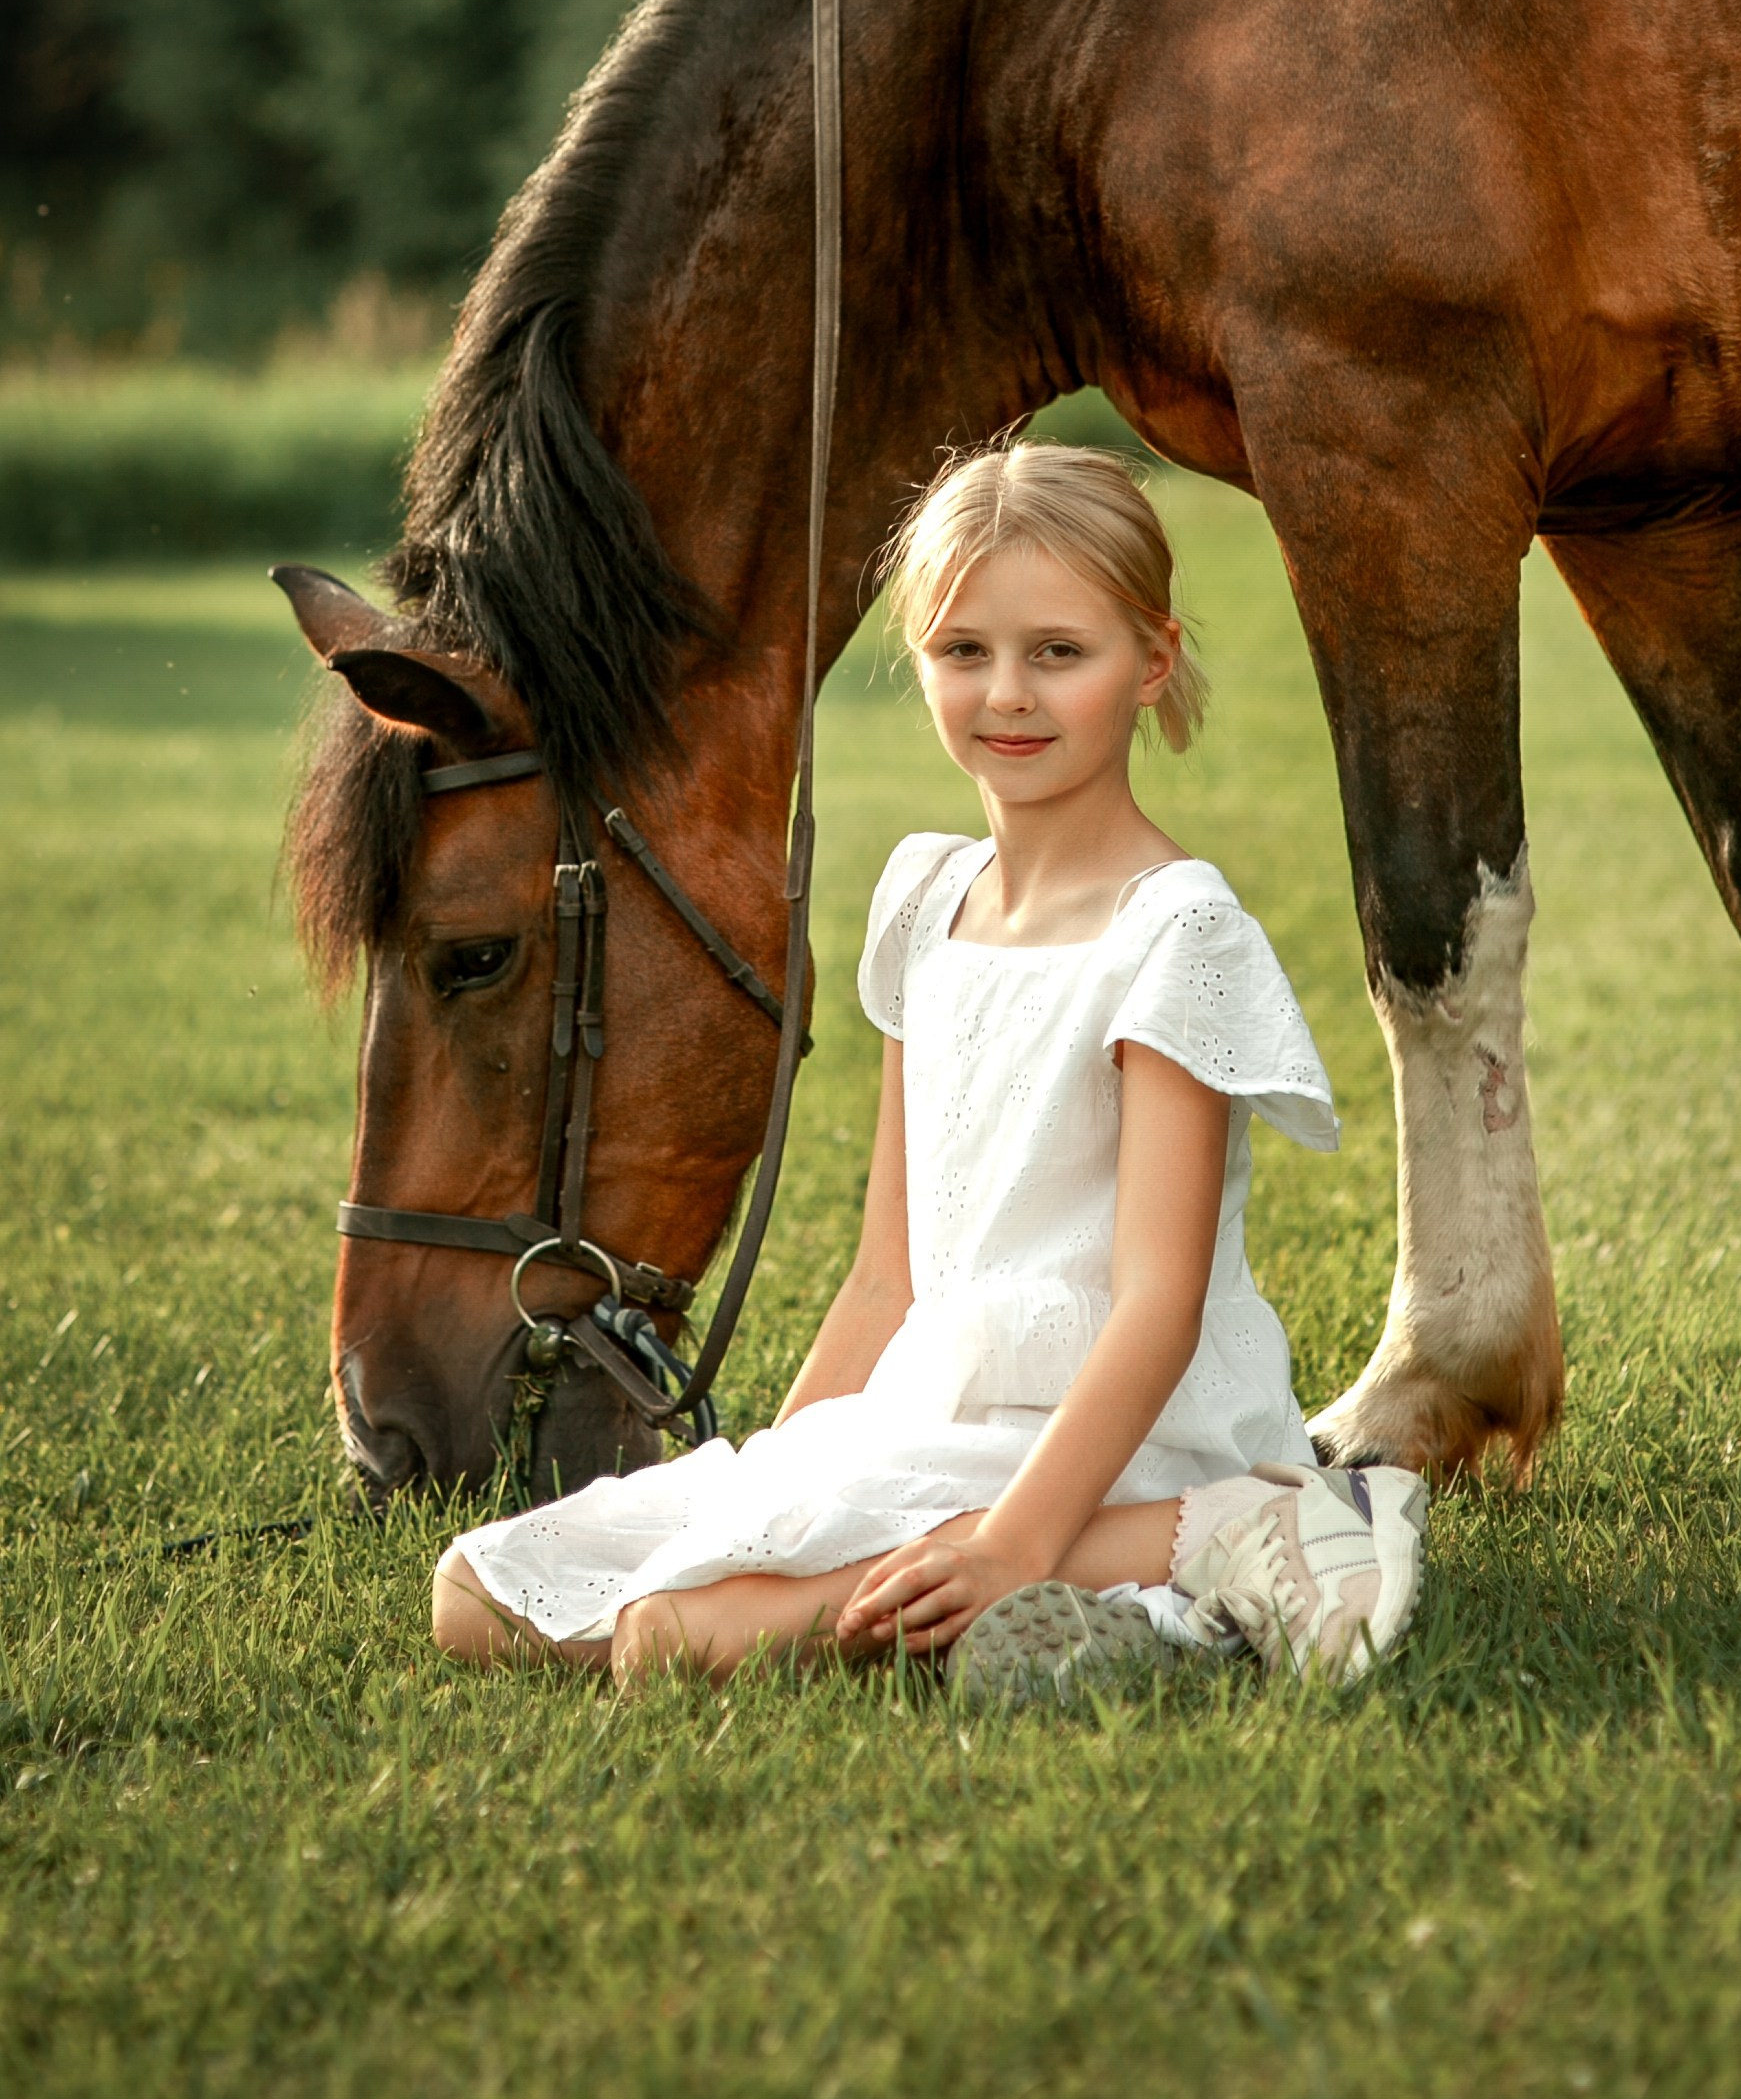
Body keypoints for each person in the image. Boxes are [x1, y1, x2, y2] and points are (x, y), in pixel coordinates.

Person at [431, 441, 1426, 1698]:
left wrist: (1010, 1539)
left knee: (666, 1641)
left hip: (1119, 1436)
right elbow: (884, 1270)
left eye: (1058, 651)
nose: (1007, 693)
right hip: (935, 1412)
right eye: (965, 651)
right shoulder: (924, 899)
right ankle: (1110, 1590)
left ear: (1152, 660)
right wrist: (769, 1485)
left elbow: (1157, 1306)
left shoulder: (1175, 932)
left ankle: (1239, 1527)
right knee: (474, 1592)